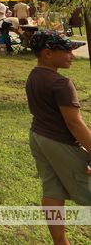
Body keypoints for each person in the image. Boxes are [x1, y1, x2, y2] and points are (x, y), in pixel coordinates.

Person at [25, 30, 91, 245]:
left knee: (52, 190)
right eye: (67, 51)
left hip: (38, 137)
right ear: (47, 53)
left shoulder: (34, 75)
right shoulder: (61, 83)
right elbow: (74, 123)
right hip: (59, 142)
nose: (72, 55)